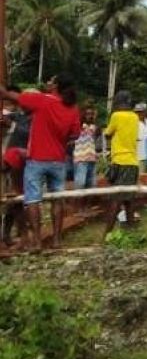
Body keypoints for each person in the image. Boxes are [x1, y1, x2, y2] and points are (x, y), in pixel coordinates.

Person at [0, 75, 81, 250]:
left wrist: (3, 91)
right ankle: (57, 240)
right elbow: (75, 134)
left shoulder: (42, 100)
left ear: (56, 86)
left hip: (37, 158)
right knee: (57, 199)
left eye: (51, 82)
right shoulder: (72, 108)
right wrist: (59, 139)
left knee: (32, 199)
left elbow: (10, 96)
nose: (48, 84)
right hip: (58, 160)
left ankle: (36, 240)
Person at [103, 91, 141, 235]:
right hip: (132, 161)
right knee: (129, 199)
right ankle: (130, 230)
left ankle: (107, 233)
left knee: (116, 199)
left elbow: (108, 133)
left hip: (120, 160)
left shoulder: (116, 116)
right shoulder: (135, 117)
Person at [1, 103, 31, 247]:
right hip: (8, 162)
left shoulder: (21, 122)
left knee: (12, 199)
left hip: (10, 164)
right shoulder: (14, 120)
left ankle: (7, 234)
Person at [72, 104, 100, 196]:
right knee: (80, 183)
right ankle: (78, 205)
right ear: (83, 114)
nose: (89, 116)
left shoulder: (94, 126)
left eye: (91, 114)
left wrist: (95, 118)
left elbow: (98, 133)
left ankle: (88, 206)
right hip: (81, 157)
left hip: (91, 157)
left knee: (92, 184)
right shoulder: (79, 126)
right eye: (87, 113)